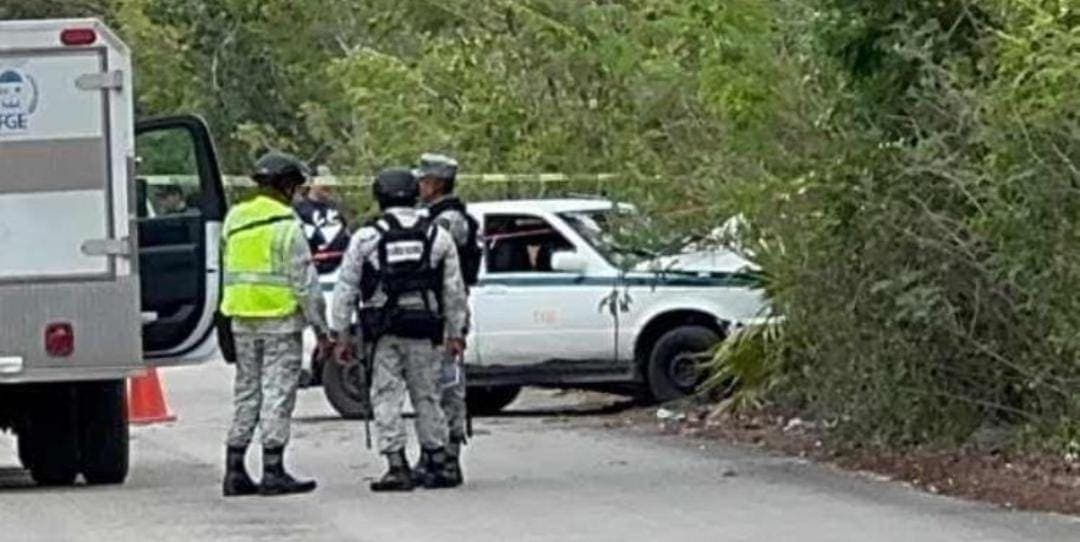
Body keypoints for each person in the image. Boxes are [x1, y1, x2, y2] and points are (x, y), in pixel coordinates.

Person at [330, 167, 468, 492]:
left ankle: (397, 465)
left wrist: (341, 335)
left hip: (384, 333)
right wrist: (455, 333)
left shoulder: (367, 237)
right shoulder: (437, 235)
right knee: (428, 395)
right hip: (426, 329)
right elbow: (454, 291)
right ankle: (436, 460)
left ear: (379, 196)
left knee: (386, 396)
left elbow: (346, 288)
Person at [219, 152, 331, 497]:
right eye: (295, 187)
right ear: (285, 186)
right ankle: (273, 469)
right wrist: (323, 331)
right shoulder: (287, 225)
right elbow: (306, 285)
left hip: (241, 319)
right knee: (277, 393)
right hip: (279, 322)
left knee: (247, 391)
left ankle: (235, 469)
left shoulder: (234, 218)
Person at [414, 152, 480, 487]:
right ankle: (432, 452)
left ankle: (449, 456)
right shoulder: (432, 216)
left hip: (446, 313)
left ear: (437, 183)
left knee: (448, 386)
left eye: (424, 180)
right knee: (428, 386)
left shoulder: (449, 220)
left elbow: (445, 273)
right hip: (431, 312)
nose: (419, 186)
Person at [293, 178, 350, 274]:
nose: (327, 184)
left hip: (340, 269)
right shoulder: (299, 209)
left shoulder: (335, 207)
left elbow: (346, 232)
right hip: (310, 271)